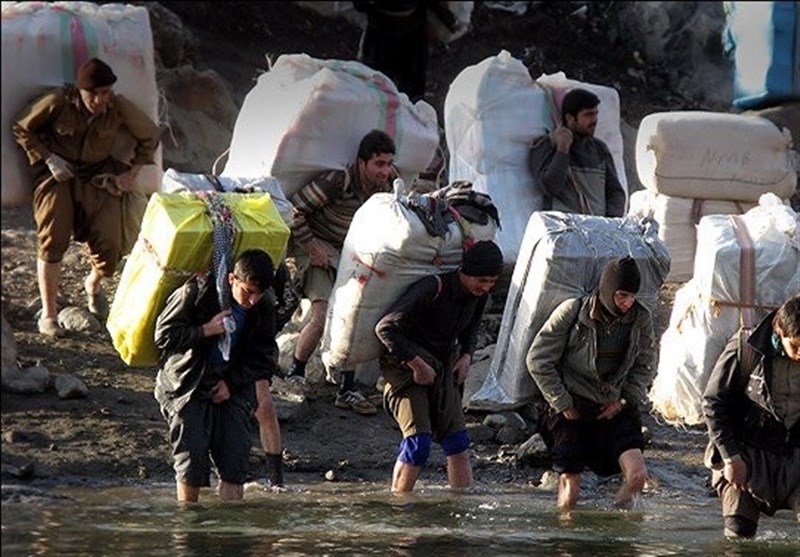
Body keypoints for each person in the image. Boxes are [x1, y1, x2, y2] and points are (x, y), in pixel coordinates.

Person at [12, 57, 161, 337]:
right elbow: (22, 128)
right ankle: (49, 313)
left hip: (97, 176)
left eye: (105, 93)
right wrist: (49, 158)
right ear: (80, 91)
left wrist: (132, 173)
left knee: (112, 244)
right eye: (94, 94)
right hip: (58, 175)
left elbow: (150, 135)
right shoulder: (58, 101)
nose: (100, 100)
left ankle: (92, 285)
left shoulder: (116, 106)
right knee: (53, 238)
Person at [153, 249, 283, 502]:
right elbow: (164, 336)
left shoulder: (263, 305)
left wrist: (231, 384)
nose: (252, 300)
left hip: (231, 383)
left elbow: (263, 356)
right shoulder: (196, 292)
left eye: (259, 293)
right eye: (248, 291)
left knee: (235, 464)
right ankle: (188, 531)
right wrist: (205, 330)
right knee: (190, 463)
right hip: (187, 383)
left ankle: (229, 535)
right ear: (232, 279)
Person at [526, 256, 655, 509]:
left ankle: (615, 532)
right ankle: (567, 539)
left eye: (631, 296)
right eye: (621, 295)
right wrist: (562, 402)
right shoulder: (573, 313)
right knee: (571, 486)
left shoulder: (641, 319)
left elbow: (645, 366)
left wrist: (623, 401)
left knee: (638, 476)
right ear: (607, 291)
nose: (627, 303)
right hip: (571, 407)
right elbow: (538, 360)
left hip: (614, 406)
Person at [375, 240, 503, 492]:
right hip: (406, 370)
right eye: (481, 280)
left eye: (492, 281)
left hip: (444, 367)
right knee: (418, 443)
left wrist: (467, 355)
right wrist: (416, 364)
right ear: (465, 272)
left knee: (458, 442)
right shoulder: (432, 288)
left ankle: (461, 511)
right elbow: (385, 328)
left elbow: (471, 329)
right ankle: (400, 513)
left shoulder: (478, 296)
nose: (486, 287)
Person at [284, 129, 396, 416]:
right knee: (322, 315)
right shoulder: (337, 182)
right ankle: (294, 373)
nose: (385, 171)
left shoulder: (385, 189)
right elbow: (293, 209)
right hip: (314, 245)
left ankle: (346, 388)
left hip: (349, 251)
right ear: (361, 163)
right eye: (378, 164)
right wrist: (310, 245)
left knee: (354, 315)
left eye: (388, 164)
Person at [703, 294, 800, 538]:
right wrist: (730, 457)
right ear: (779, 330)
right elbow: (714, 401)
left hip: (795, 456)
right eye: (796, 346)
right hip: (746, 456)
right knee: (738, 538)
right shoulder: (747, 348)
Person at [529, 87, 626, 218]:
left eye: (595, 114)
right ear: (570, 118)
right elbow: (550, 187)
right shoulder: (547, 145)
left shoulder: (599, 149)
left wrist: (610, 221)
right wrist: (562, 149)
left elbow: (615, 192)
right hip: (565, 229)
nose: (594, 120)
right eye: (588, 115)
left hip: (598, 230)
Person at [354, 1, 461, 103]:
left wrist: (449, 19)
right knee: (377, 85)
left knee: (412, 91)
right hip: (382, 34)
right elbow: (360, 5)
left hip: (409, 34)